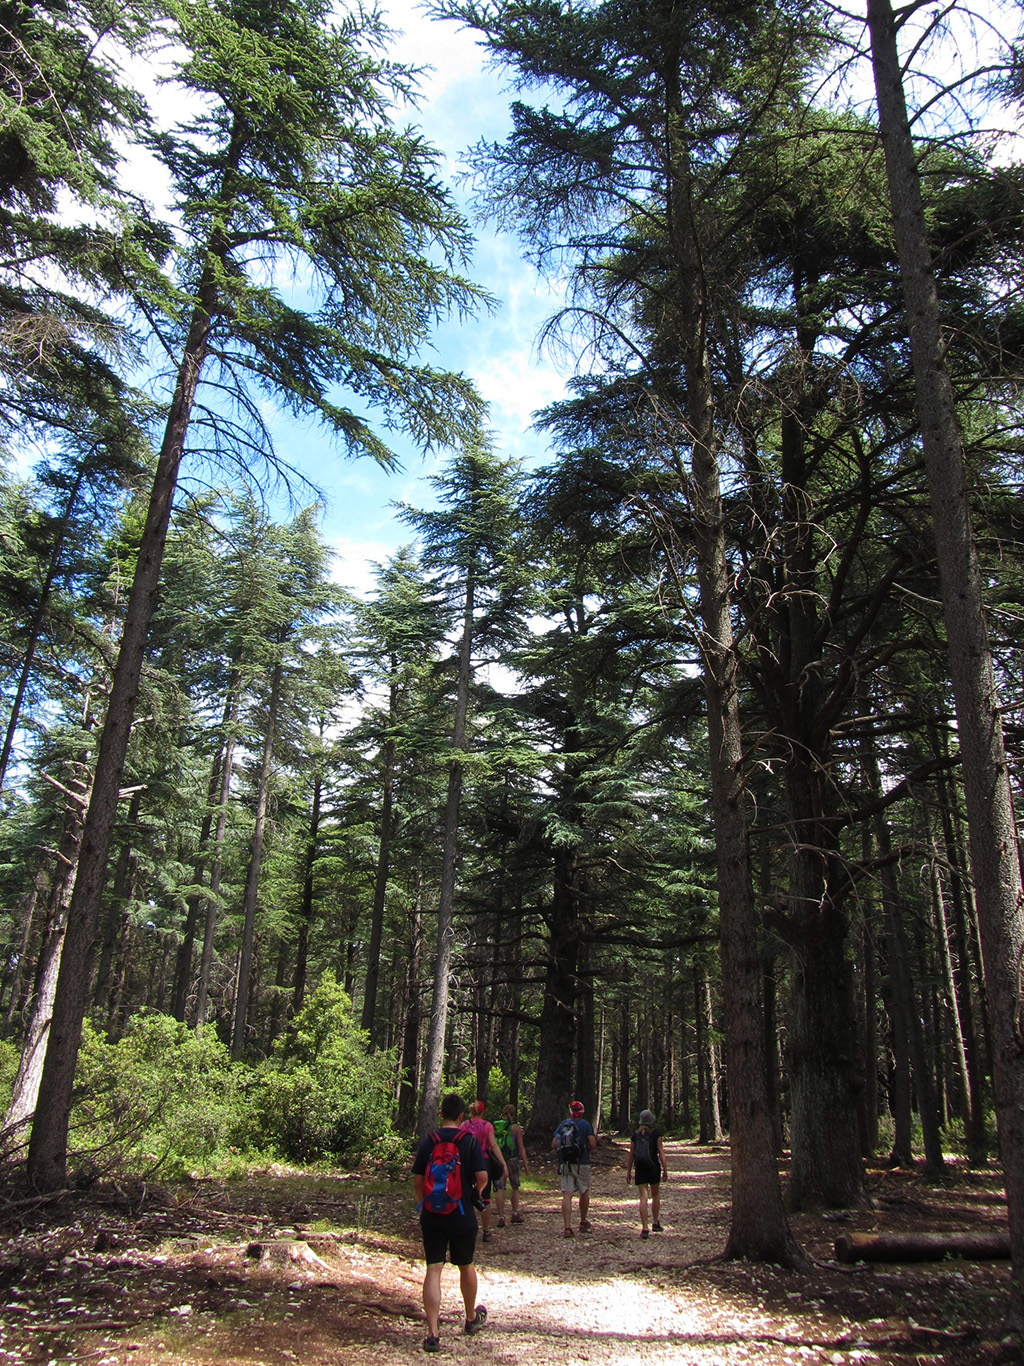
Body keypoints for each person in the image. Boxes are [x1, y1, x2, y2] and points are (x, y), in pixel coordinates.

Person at [412, 1092, 490, 1352]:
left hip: (432, 1214)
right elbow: (482, 1177)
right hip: (462, 1214)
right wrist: (476, 1194)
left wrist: (425, 1201)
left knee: (433, 1268)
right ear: (460, 1116)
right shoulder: (468, 1141)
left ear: (441, 1114)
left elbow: (418, 1180)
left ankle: (433, 1333)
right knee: (466, 1265)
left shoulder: (429, 1141)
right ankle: (470, 1319)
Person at [460, 1099, 509, 1242]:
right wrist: (503, 1164)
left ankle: (465, 1228)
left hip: (466, 1163)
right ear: (482, 1112)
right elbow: (493, 1145)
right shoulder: (487, 1126)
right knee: (485, 1198)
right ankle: (486, 1231)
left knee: (465, 1194)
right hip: (483, 1163)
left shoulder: (463, 1125)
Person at [551, 1099, 596, 1237]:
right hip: (583, 1162)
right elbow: (593, 1143)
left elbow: (554, 1144)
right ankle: (582, 1221)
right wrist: (586, 1151)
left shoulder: (563, 1125)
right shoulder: (586, 1125)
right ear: (582, 1112)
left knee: (567, 1194)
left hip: (566, 1163)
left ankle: (567, 1227)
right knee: (584, 1191)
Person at [626, 1108, 668, 1239]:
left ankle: (644, 1228)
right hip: (653, 1167)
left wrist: (628, 1171)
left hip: (640, 1168)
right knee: (655, 1195)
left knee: (643, 1198)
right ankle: (655, 1223)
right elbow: (661, 1152)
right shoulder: (656, 1134)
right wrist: (665, 1169)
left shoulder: (635, 1135)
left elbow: (631, 1154)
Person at [492, 1103, 529, 1225]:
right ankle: (514, 1213)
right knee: (515, 1186)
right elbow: (521, 1147)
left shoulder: (497, 1127)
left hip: (498, 1159)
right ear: (514, 1114)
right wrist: (525, 1164)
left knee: (500, 1187)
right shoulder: (516, 1128)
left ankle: (501, 1217)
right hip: (512, 1159)